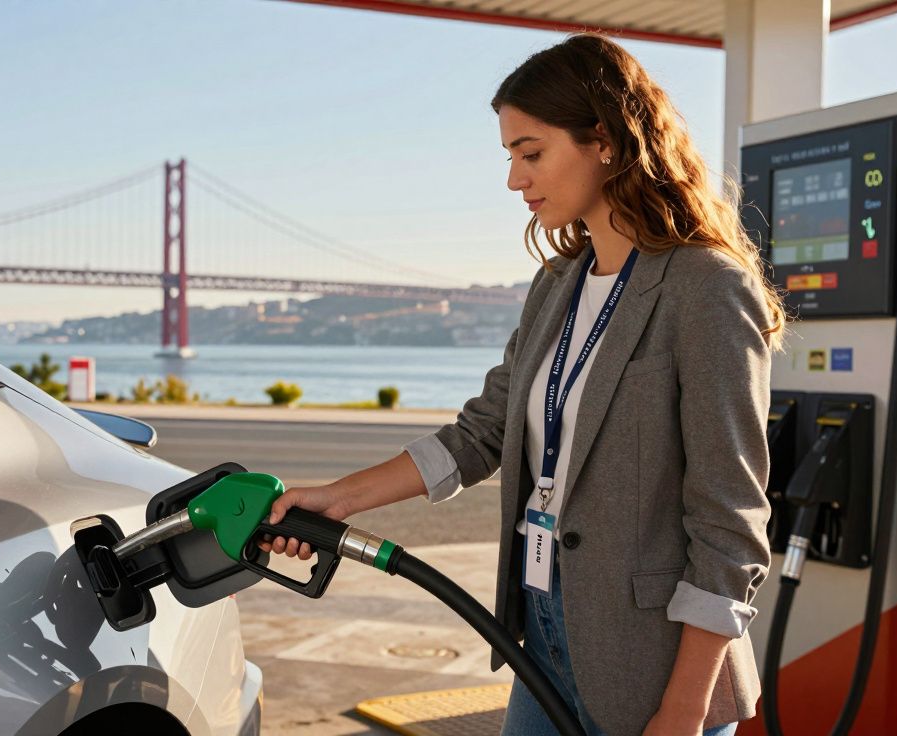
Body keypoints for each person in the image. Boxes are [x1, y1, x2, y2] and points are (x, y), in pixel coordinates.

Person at [258, 33, 785, 736]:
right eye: (510, 157)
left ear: (604, 141)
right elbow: (482, 434)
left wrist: (683, 711)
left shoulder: (706, 289)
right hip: (542, 633)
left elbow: (730, 525)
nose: (515, 180)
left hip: (654, 664)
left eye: (531, 153)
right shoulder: (557, 286)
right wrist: (336, 499)